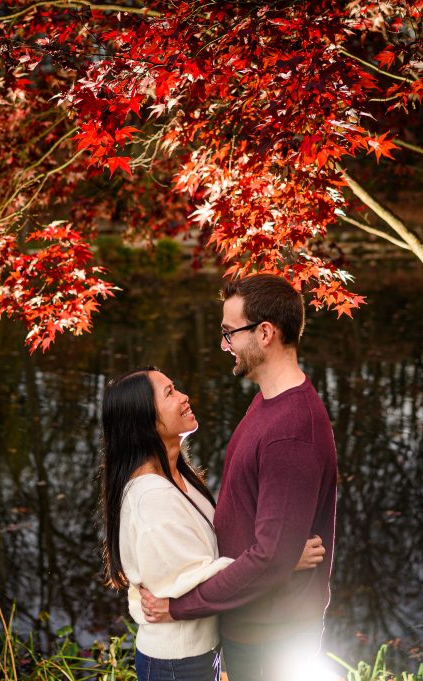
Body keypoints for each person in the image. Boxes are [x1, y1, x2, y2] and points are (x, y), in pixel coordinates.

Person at [140, 274, 339, 681]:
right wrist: (280, 557)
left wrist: (178, 606)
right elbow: (268, 545)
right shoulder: (268, 403)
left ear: (265, 333)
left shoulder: (290, 431)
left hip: (273, 634)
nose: (223, 345)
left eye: (230, 333)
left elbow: (268, 558)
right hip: (256, 623)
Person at [100, 366, 326, 681]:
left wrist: (274, 553)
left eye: (175, 386)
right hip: (177, 662)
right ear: (144, 420)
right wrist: (280, 558)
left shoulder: (178, 475)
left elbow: (213, 548)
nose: (183, 397)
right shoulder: (151, 498)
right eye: (169, 394)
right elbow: (195, 582)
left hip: (199, 653)